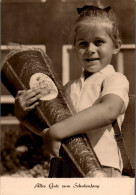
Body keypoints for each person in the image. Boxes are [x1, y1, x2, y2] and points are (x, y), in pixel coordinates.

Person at [14, 5, 129, 177]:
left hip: (100, 167)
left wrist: (57, 131)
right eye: (83, 43)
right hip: (61, 166)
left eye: (99, 42)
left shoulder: (114, 79)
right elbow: (48, 131)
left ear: (116, 46)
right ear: (74, 47)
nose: (90, 49)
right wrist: (23, 116)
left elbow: (109, 110)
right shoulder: (67, 88)